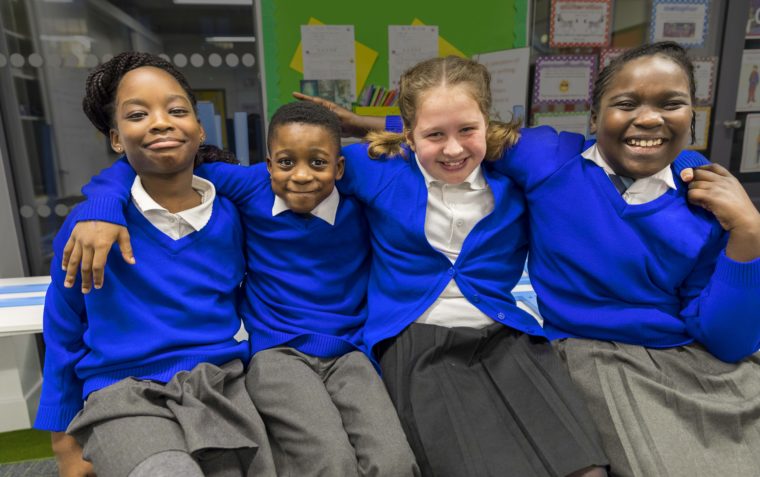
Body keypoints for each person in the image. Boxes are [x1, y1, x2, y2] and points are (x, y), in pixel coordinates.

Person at [308, 41, 760, 476]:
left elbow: (728, 341)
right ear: (594, 114)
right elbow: (442, 125)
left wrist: (750, 233)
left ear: (693, 114)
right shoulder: (549, 158)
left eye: (671, 104)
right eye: (626, 104)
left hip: (679, 355)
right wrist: (365, 125)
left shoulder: (703, 193)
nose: (648, 119)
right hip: (587, 353)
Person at [59, 101, 419, 477]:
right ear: (267, 164)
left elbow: (422, 133)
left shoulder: (361, 194)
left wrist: (358, 122)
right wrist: (102, 202)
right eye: (285, 163)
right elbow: (159, 163)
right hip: (278, 354)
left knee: (394, 462)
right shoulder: (250, 187)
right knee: (330, 460)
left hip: (351, 353)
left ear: (340, 166)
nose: (300, 176)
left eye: (317, 163)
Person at [33, 52, 275, 477]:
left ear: (200, 130)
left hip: (219, 385)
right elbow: (63, 323)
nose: (161, 121)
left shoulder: (234, 213)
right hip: (121, 393)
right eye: (138, 114)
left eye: (176, 110)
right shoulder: (90, 226)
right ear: (115, 138)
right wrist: (62, 437)